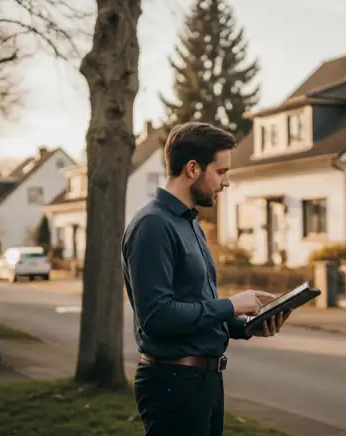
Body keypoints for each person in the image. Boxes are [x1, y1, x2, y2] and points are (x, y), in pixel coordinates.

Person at [122, 121, 292, 436]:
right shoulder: (152, 226)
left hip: (204, 382)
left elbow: (196, 306)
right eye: (221, 171)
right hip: (173, 385)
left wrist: (248, 325)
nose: (226, 182)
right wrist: (230, 305)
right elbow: (157, 316)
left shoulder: (191, 225)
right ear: (192, 169)